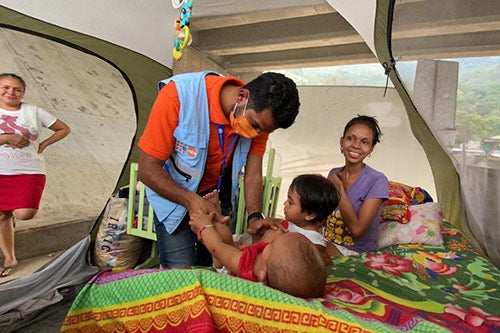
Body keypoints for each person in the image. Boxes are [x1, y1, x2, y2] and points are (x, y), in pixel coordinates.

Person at [137, 71, 300, 268]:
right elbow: (147, 169)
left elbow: (253, 173)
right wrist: (190, 201)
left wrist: (255, 216)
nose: (256, 134)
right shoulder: (178, 96)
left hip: (214, 198)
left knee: (212, 265)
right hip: (174, 194)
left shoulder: (260, 120)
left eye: (263, 131)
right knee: (180, 270)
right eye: (255, 125)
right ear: (242, 97)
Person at [0, 73, 70, 277]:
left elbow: (63, 128)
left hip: (29, 170)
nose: (10, 92)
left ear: (23, 93)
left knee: (24, 213)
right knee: (2, 214)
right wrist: (6, 138)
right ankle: (10, 257)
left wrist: (45, 143)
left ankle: (9, 220)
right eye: (5, 87)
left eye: (16, 89)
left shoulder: (34, 111)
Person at [189, 209, 326, 299]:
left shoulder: (247, 266)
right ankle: (214, 211)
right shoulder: (271, 271)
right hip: (243, 253)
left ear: (263, 274)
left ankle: (212, 214)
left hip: (229, 266)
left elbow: (217, 248)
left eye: (272, 246)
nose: (271, 243)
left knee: (221, 234)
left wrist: (204, 227)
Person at [324, 115, 388, 256]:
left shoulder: (377, 180)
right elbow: (322, 216)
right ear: (341, 142)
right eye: (350, 138)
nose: (356, 146)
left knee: (303, 247)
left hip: (355, 252)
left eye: (364, 142)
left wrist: (340, 190)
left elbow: (357, 230)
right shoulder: (334, 173)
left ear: (371, 149)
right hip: (327, 242)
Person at [248, 174, 340, 265]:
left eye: (290, 202)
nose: (285, 204)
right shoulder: (293, 225)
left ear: (310, 215)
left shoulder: (314, 245)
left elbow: (324, 263)